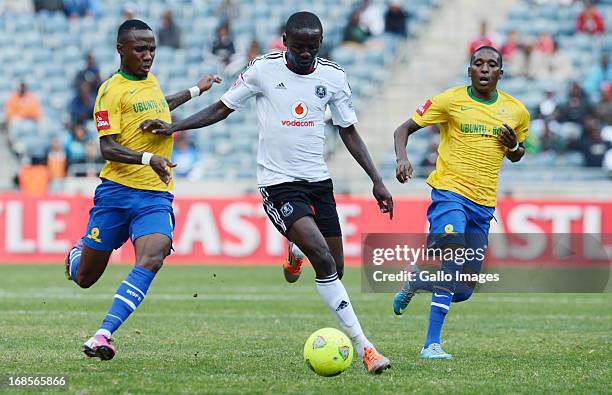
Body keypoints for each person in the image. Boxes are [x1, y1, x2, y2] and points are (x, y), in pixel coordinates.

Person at [140, 11, 394, 374]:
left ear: (320, 44)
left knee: (334, 267)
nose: (305, 53)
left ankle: (295, 249)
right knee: (323, 260)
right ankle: (366, 349)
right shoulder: (263, 69)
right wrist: (175, 127)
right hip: (278, 184)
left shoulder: (334, 77)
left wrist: (377, 180)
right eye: (299, 46)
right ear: (285, 42)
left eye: (312, 47)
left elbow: (348, 131)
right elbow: (222, 108)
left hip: (318, 182)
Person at [63, 19, 221, 361]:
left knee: (155, 254)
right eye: (140, 49)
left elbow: (159, 105)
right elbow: (107, 148)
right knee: (85, 278)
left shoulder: (150, 82)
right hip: (116, 194)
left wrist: (196, 90)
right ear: (121, 50)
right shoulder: (109, 90)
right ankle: (76, 254)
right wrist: (149, 157)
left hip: (154, 197)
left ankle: (103, 334)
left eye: (151, 49)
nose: (148, 55)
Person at [392, 46, 529, 359]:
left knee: (464, 290)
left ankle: (416, 281)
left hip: (483, 206)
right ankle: (431, 345)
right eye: (477, 64)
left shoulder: (517, 111)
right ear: (469, 70)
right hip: (449, 194)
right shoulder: (450, 101)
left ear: (500, 73)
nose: (484, 69)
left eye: (491, 65)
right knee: (452, 257)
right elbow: (403, 129)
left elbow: (519, 154)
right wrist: (402, 158)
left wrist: (514, 147)